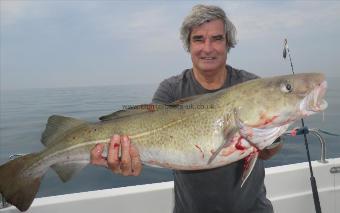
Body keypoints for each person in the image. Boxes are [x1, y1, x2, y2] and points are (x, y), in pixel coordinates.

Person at [90, 4, 283, 213]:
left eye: (217, 38)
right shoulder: (171, 90)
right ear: (188, 45)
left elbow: (268, 151)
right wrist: (127, 161)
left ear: (228, 43)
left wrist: (270, 134)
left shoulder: (251, 86)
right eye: (198, 39)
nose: (207, 48)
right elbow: (148, 146)